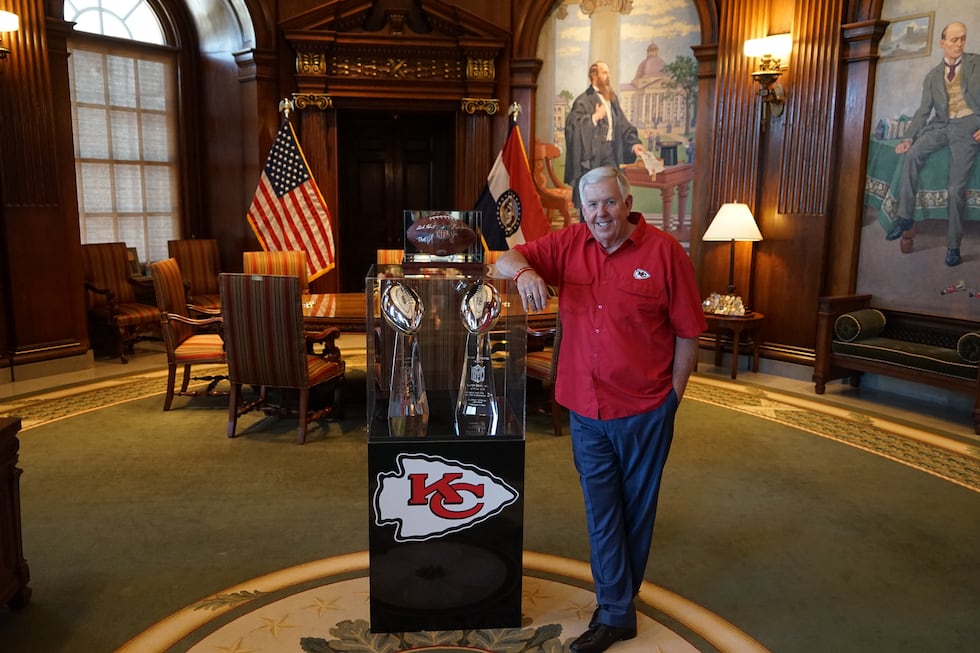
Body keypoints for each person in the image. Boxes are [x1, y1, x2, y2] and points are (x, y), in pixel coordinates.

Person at [496, 166, 706, 653]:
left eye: (609, 202)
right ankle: (615, 611)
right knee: (603, 508)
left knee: (636, 509)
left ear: (628, 203)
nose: (600, 213)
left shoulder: (666, 253)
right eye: (591, 205)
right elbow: (505, 258)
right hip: (585, 407)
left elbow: (688, 333)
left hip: (645, 408)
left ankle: (617, 600)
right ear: (582, 209)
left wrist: (672, 399)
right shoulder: (569, 244)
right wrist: (526, 271)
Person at [884, 21, 980, 267]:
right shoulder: (933, 76)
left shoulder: (977, 64)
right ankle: (905, 217)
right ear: (942, 43)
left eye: (963, 38)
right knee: (912, 154)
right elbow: (922, 112)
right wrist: (908, 138)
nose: (959, 44)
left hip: (968, 125)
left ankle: (953, 246)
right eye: (954, 39)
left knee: (955, 189)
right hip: (940, 125)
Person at [565, 61, 646, 209]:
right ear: (594, 76)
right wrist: (594, 118)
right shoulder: (583, 100)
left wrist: (634, 144)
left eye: (608, 72)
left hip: (611, 154)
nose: (608, 76)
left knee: (615, 195)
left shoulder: (611, 99)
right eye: (604, 72)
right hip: (592, 158)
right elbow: (573, 126)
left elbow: (622, 124)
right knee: (592, 199)